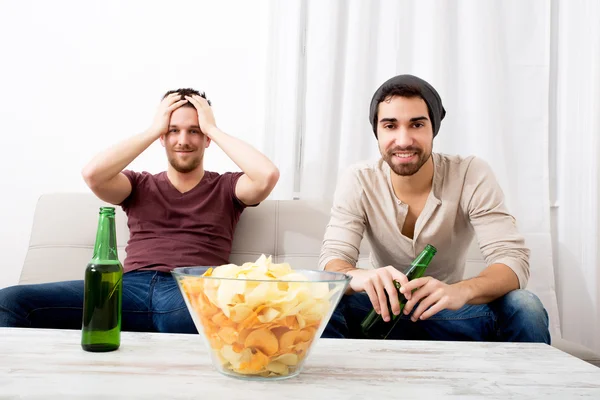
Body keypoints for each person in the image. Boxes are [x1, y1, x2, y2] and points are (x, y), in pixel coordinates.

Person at [0, 88, 279, 333]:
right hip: (126, 289)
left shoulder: (227, 186)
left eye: (194, 131)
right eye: (173, 130)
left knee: (202, 319)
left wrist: (214, 129)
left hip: (192, 289)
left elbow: (266, 176)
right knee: (10, 302)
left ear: (206, 139)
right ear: (162, 137)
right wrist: (152, 129)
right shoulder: (138, 184)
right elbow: (93, 175)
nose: (183, 140)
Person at [319, 74, 550, 343]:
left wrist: (461, 291)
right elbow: (332, 263)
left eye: (417, 124)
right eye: (390, 126)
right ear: (377, 131)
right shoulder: (359, 178)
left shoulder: (470, 173)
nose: (403, 140)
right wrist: (360, 277)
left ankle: (522, 386)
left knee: (526, 306)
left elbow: (512, 260)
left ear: (433, 129)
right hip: (377, 314)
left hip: (452, 313)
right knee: (324, 299)